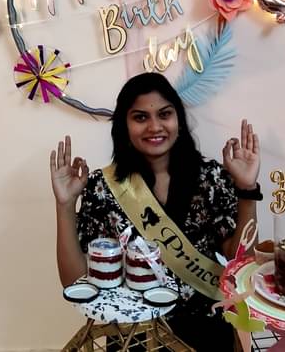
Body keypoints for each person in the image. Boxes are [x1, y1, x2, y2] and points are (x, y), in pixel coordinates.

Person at [50, 72, 261, 351]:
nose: (154, 126)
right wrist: (65, 206)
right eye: (140, 117)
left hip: (206, 332)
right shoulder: (103, 187)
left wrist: (247, 191)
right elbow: (75, 282)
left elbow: (243, 266)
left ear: (179, 121)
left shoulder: (211, 178)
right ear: (124, 126)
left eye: (165, 114)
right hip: (133, 337)